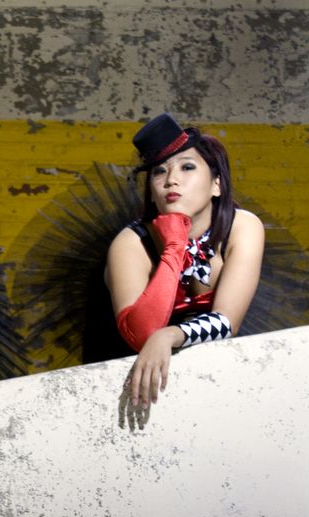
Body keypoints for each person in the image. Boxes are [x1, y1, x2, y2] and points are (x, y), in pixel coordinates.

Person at [105, 113, 264, 406]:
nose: (171, 180)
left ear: (217, 184)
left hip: (215, 363)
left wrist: (169, 336)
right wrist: (175, 245)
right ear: (151, 192)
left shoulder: (242, 227)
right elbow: (141, 335)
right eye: (158, 172)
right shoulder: (131, 243)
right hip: (136, 376)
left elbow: (227, 322)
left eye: (187, 167)